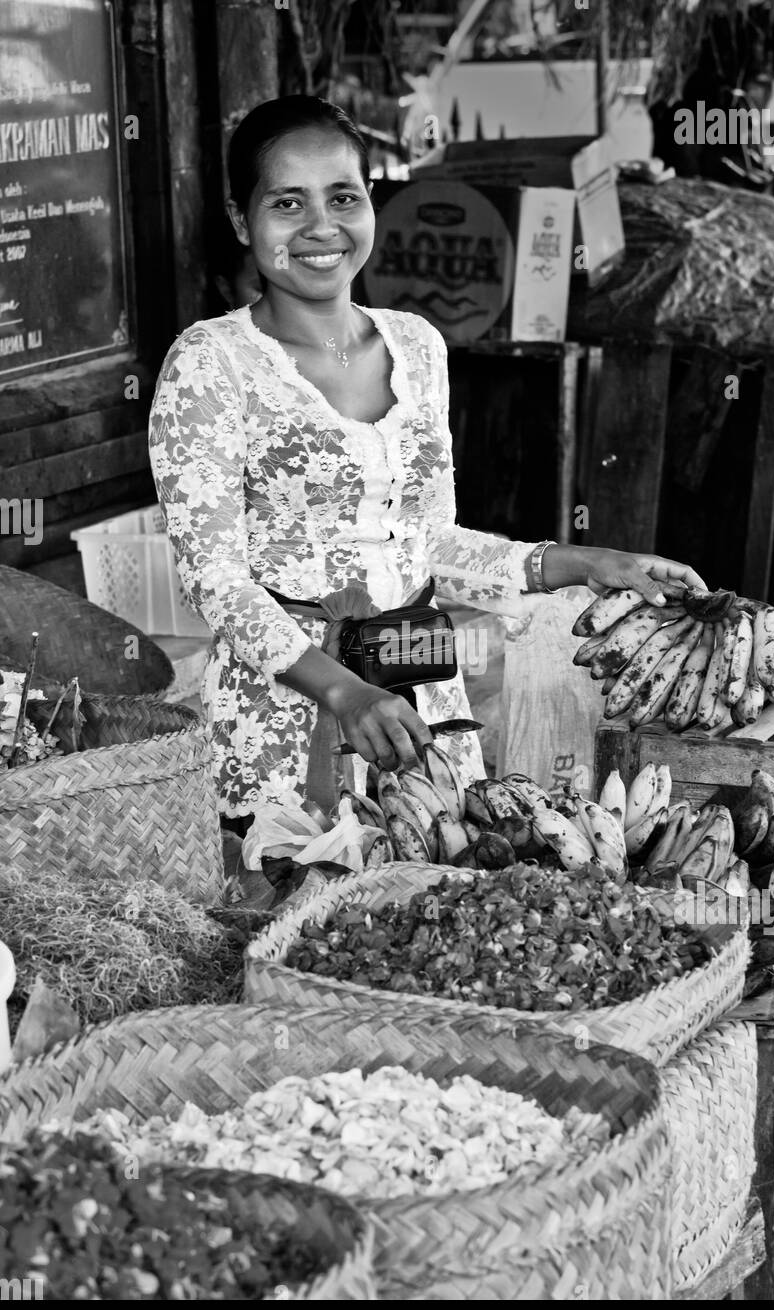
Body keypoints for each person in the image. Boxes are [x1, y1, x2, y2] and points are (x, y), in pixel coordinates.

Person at [148, 96, 703, 828]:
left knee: (431, 900)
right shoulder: (210, 362)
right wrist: (341, 690)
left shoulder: (418, 345)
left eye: (343, 197)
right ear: (240, 218)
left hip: (423, 694)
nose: (321, 227)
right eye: (288, 202)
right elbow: (214, 580)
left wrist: (591, 562)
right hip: (285, 720)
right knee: (299, 917)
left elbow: (430, 544)